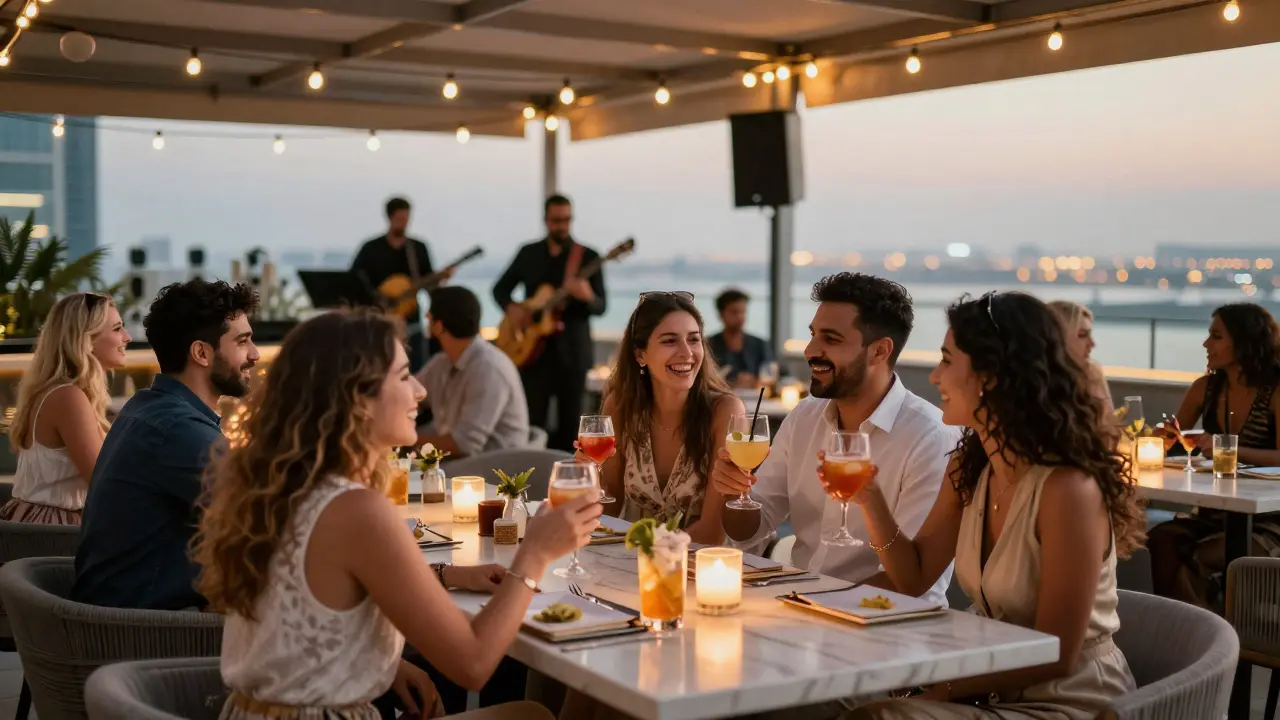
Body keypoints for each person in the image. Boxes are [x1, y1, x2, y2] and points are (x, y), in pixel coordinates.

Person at [194, 309, 596, 720]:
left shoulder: (286, 487)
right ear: (358, 399)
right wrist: (535, 554)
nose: (420, 391)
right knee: (534, 715)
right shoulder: (357, 510)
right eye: (404, 376)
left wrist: (387, 664)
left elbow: (324, 601)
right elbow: (473, 665)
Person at [846, 292, 1143, 720]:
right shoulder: (972, 469)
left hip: (1069, 700)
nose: (934, 377)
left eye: (947, 361)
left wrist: (942, 689)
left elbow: (1057, 653)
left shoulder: (1067, 489)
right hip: (990, 685)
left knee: (882, 716)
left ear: (991, 376)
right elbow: (913, 577)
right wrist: (870, 498)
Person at [709, 273, 958, 604]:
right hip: (806, 608)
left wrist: (812, 602)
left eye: (832, 339)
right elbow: (748, 532)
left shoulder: (930, 437)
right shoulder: (805, 417)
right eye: (813, 335)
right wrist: (733, 494)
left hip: (890, 624)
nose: (811, 350)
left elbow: (912, 580)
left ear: (880, 351)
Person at [73, 279, 259, 610]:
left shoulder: (148, 407)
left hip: (122, 610)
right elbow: (264, 520)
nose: (255, 354)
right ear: (201, 352)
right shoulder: (178, 430)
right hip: (148, 630)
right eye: (243, 341)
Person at [1148, 302, 1280, 608]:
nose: (1206, 344)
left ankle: (1210, 641)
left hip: (1268, 518)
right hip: (1215, 514)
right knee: (1162, 540)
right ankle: (1184, 634)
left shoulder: (1274, 391)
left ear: (1245, 341)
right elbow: (1177, 437)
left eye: (1216, 336)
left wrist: (1226, 449)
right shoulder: (1204, 388)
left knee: (1203, 557)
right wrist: (1163, 439)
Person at [596, 291, 741, 544]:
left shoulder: (725, 412)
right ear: (640, 355)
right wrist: (586, 478)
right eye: (670, 341)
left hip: (704, 571)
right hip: (627, 567)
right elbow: (608, 506)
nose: (687, 353)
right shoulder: (620, 407)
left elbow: (712, 533)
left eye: (694, 340)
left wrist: (649, 555)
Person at [3, 293, 131, 525]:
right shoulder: (67, 397)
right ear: (86, 339)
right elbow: (105, 483)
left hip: (47, 524)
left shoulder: (66, 393)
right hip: (55, 532)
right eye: (117, 329)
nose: (127, 337)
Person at [493, 194, 606, 451]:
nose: (562, 225)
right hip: (533, 354)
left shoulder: (588, 257)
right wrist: (513, 310)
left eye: (567, 220)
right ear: (546, 220)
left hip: (573, 354)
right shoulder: (529, 253)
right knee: (532, 423)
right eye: (556, 220)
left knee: (571, 426)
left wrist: (587, 296)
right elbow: (500, 289)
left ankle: (572, 483)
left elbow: (601, 306)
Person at [416, 286, 530, 456]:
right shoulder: (442, 362)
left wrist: (404, 439)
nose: (426, 319)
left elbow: (464, 445)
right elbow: (410, 394)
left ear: (438, 326)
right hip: (465, 462)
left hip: (496, 469)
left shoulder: (488, 368)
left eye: (429, 316)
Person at [351, 197, 446, 373]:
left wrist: (439, 281)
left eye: (406, 219)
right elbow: (355, 282)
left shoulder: (417, 248)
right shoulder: (371, 249)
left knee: (415, 371)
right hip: (378, 322)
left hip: (411, 324)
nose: (404, 224)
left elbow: (429, 285)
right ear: (389, 218)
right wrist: (379, 298)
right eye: (400, 219)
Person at [1048, 300, 1114, 419]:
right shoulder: (1040, 384)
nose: (1092, 344)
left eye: (1090, 334)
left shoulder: (1092, 373)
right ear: (1059, 339)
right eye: (1082, 335)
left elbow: (1111, 426)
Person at [707, 288, 773, 389]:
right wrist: (731, 383)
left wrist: (756, 381)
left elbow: (772, 375)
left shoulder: (759, 345)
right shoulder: (709, 345)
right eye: (734, 312)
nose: (740, 317)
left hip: (758, 400)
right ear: (721, 314)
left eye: (743, 312)